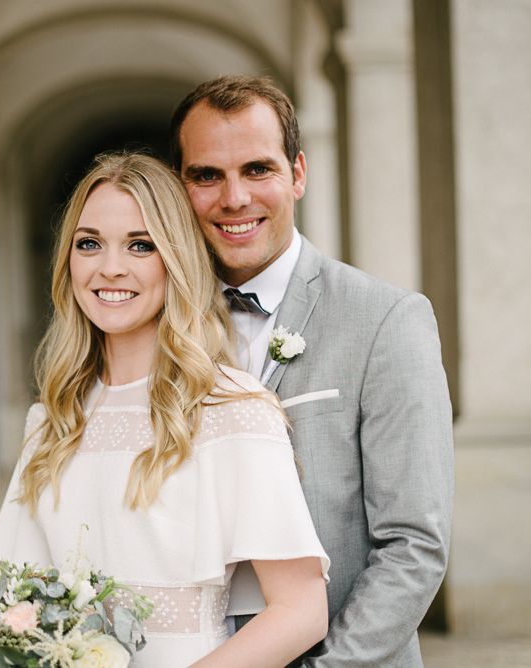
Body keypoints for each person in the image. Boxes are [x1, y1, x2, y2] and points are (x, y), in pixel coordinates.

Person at [0, 152, 330, 667]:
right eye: (89, 243)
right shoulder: (52, 420)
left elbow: (302, 609)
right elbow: (20, 603)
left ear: (177, 259)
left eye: (140, 245)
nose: (110, 267)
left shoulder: (232, 409)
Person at [170, 74, 454, 667]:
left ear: (297, 173)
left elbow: (413, 545)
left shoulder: (387, 320)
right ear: (181, 186)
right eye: (206, 175)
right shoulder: (161, 327)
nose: (234, 198)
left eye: (257, 169)